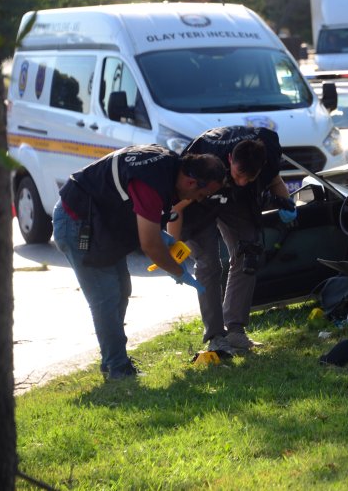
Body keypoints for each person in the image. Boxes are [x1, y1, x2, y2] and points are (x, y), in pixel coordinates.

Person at [52, 146, 226, 381]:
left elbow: (145, 220)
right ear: (191, 182)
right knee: (106, 298)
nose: (199, 200)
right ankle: (117, 368)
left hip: (100, 222)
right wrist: (178, 271)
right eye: (203, 194)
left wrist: (165, 238)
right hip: (78, 223)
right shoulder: (152, 182)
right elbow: (150, 245)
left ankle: (114, 361)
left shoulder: (170, 167)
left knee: (122, 291)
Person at [169, 126, 297, 355]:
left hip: (235, 202)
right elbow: (176, 208)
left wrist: (287, 203)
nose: (242, 182)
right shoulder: (206, 164)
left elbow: (274, 180)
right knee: (209, 263)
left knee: (250, 250)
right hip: (196, 202)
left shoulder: (264, 156)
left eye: (250, 178)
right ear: (229, 160)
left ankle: (236, 330)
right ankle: (216, 337)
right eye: (238, 175)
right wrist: (172, 249)